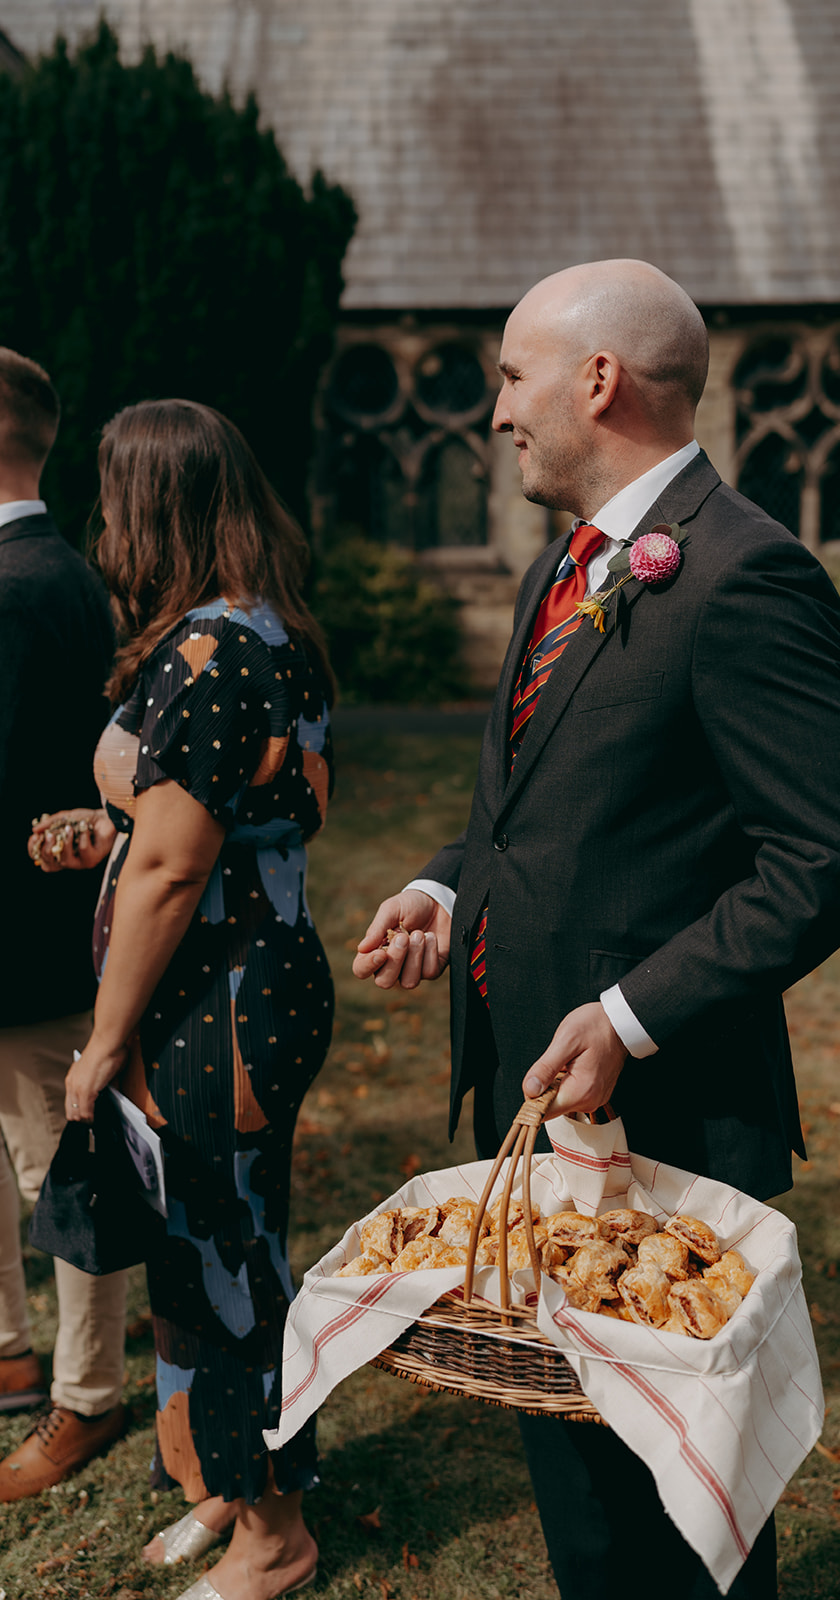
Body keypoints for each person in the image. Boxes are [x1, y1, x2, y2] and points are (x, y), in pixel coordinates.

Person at [353, 260, 840, 1599]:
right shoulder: (566, 563)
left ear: (596, 382)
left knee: (675, 1511)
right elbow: (540, 802)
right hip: (540, 1112)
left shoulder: (743, 575)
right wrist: (440, 887)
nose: (494, 413)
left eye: (509, 376)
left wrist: (630, 1015)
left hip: (663, 1120)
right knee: (584, 1498)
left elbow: (829, 859)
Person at [30, 399, 334, 1600]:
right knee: (202, 1245)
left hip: (217, 1007)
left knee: (228, 1265)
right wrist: (103, 832)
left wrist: (101, 1040)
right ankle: (220, 1478)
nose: (104, 519)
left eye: (113, 496)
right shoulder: (266, 629)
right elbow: (192, 818)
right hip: (240, 985)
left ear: (151, 506)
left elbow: (176, 862)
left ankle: (278, 1539)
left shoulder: (212, 649)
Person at [0, 349, 128, 1499]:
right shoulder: (68, 569)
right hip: (42, 931)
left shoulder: (16, 582)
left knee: (62, 1175)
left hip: (27, 947)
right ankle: (10, 1357)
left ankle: (88, 1396)